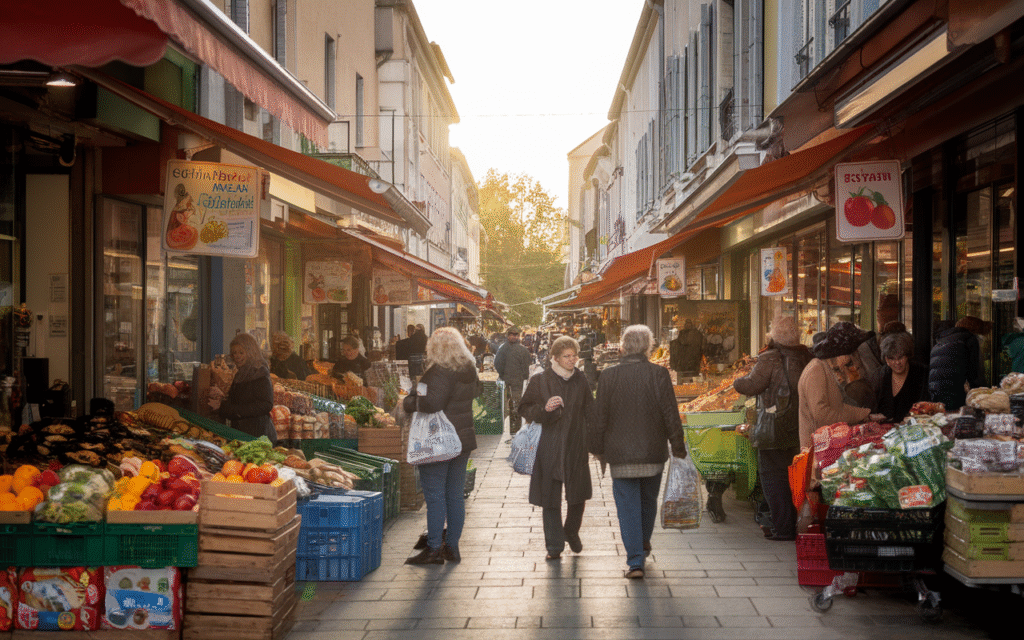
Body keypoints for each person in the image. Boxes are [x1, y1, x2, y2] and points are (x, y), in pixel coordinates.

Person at [590, 324, 688, 579]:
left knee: (627, 505)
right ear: (647, 347)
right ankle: (643, 543)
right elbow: (670, 413)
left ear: (623, 347)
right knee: (647, 502)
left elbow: (599, 417)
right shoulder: (658, 374)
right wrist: (678, 446)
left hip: (619, 454)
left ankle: (635, 561)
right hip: (652, 452)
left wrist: (597, 449)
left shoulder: (609, 376)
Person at [402, 327, 480, 565]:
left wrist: (409, 400)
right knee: (454, 495)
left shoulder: (439, 371)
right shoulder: (468, 369)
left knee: (435, 495)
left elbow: (432, 403)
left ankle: (435, 548)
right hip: (462, 438)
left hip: (438, 441)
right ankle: (452, 546)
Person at [733, 316, 813, 541]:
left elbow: (751, 385)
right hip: (802, 428)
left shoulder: (770, 357)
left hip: (774, 430)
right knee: (798, 478)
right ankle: (800, 525)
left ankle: (783, 528)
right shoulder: (807, 356)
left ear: (774, 334)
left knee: (774, 479)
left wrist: (736, 381)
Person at [519, 336, 594, 561]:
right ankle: (554, 545)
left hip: (576, 444)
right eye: (566, 356)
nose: (572, 360)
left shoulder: (581, 379)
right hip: (549, 446)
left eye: (574, 356)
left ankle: (571, 530)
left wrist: (595, 438)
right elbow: (524, 408)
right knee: (550, 498)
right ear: (555, 358)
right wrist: (544, 410)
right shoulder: (541, 380)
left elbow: (590, 410)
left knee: (578, 495)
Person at [798, 322, 885, 449]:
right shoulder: (816, 370)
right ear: (840, 352)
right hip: (818, 451)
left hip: (827, 447)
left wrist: (866, 415)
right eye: (851, 354)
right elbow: (823, 416)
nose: (853, 360)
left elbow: (837, 407)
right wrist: (863, 415)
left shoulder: (826, 368)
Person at [217, 332, 276, 444]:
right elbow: (238, 401)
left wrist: (233, 410)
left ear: (251, 352)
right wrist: (222, 400)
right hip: (243, 435)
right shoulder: (241, 374)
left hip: (257, 436)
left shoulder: (259, 372)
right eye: (234, 353)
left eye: (241, 352)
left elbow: (266, 404)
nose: (237, 356)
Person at [871, 331, 928, 422]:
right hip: (883, 431)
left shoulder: (921, 373)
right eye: (892, 358)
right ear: (886, 359)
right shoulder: (878, 375)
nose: (897, 362)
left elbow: (927, 406)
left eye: (900, 357)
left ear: (907, 356)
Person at [928, 319, 984, 411]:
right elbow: (974, 371)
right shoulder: (969, 338)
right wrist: (977, 392)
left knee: (943, 420)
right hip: (956, 391)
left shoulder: (938, 344)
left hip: (935, 392)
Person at [494, 326, 533, 436]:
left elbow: (497, 364)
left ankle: (513, 430)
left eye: (515, 335)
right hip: (515, 382)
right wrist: (523, 376)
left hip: (509, 381)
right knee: (515, 404)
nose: (513, 336)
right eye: (512, 334)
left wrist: (503, 375)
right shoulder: (521, 350)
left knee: (511, 405)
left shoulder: (503, 348)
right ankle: (515, 430)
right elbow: (526, 367)